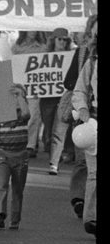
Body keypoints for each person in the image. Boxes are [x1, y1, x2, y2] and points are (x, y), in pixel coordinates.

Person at [59, 13, 97, 214]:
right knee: (84, 161)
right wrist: (82, 102)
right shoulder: (83, 54)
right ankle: (79, 199)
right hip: (87, 114)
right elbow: (70, 82)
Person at [0, 84, 31, 230]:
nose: (15, 99)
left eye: (18, 96)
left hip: (20, 156)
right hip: (3, 155)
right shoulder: (0, 116)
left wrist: (20, 95)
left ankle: (15, 220)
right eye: (12, 96)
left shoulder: (22, 115)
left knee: (18, 189)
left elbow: (27, 114)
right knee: (2, 185)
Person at [70, 15, 97, 236]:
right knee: (94, 174)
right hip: (95, 122)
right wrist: (83, 110)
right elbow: (79, 90)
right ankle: (91, 219)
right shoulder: (92, 61)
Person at [11, 30, 48, 157]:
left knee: (33, 116)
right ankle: (19, 142)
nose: (33, 31)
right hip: (20, 86)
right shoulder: (16, 47)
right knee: (20, 115)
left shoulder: (43, 48)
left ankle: (31, 145)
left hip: (35, 87)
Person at [43, 28, 74, 173]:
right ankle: (55, 155)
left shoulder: (72, 56)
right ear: (54, 39)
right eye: (60, 39)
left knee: (58, 131)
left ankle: (53, 164)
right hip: (47, 99)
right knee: (48, 132)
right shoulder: (44, 57)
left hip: (65, 99)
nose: (62, 42)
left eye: (65, 39)